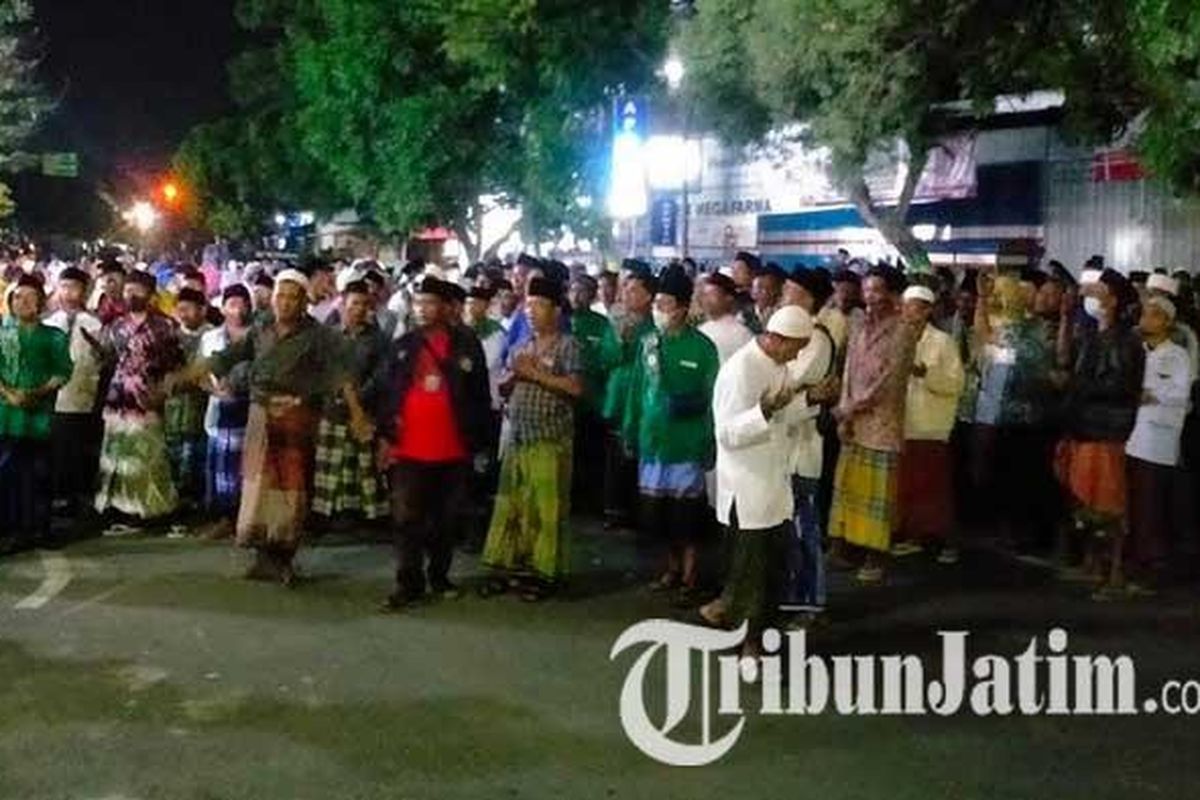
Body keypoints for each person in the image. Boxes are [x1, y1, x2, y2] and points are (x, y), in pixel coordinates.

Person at [206, 269, 373, 586]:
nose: (284, 302)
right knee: (256, 489)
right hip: (259, 414)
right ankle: (262, 558)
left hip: (296, 417)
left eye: (292, 297)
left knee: (289, 492)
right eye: (280, 296)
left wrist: (357, 413)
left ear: (304, 302)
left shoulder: (318, 336)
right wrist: (197, 370)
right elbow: (231, 354)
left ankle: (282, 558)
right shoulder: (261, 327)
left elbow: (342, 375)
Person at [701, 306, 813, 652]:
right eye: (796, 347)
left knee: (769, 570)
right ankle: (750, 645)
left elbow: (783, 414)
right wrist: (763, 411)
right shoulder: (742, 369)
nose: (797, 355)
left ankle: (736, 620)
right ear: (777, 339)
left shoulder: (777, 366)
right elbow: (727, 433)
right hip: (748, 488)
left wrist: (811, 399)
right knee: (754, 575)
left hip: (772, 484)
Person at [376, 278, 493, 610]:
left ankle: (439, 576)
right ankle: (408, 583)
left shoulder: (466, 344)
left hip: (453, 447)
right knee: (406, 517)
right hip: (409, 448)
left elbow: (479, 395)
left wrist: (479, 441)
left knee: (446, 518)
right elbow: (388, 393)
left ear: (446, 307)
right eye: (418, 303)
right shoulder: (404, 346)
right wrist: (385, 436)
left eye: (429, 303)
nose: (422, 309)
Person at [480, 276, 583, 601]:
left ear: (555, 310)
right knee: (511, 505)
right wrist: (510, 381)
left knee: (545, 509)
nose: (531, 311)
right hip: (519, 437)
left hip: (549, 439)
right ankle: (509, 566)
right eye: (529, 305)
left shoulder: (568, 345)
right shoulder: (523, 345)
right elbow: (508, 384)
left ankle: (545, 572)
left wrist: (535, 374)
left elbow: (576, 388)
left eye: (539, 305)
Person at [621, 265, 719, 603]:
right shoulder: (648, 344)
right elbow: (636, 391)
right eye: (657, 304)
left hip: (687, 445)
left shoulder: (703, 348)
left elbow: (712, 399)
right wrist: (630, 430)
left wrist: (709, 441)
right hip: (653, 442)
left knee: (687, 517)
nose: (658, 310)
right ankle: (671, 570)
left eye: (665, 305)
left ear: (682, 309)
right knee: (658, 514)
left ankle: (690, 576)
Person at [1056, 268, 1144, 595]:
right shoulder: (1094, 334)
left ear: (1113, 299)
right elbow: (1066, 359)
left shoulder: (1125, 340)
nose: (1090, 293)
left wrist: (1075, 384)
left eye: (1099, 289)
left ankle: (1115, 571)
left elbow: (1121, 387)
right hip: (1086, 427)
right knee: (1087, 500)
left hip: (1107, 430)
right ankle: (1093, 564)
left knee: (1109, 503)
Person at [828, 267, 916, 584]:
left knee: (877, 497)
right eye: (866, 290)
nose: (870, 297)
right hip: (852, 422)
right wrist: (845, 410)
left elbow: (889, 382)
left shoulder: (904, 331)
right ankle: (843, 548)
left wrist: (851, 408)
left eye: (877, 290)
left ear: (892, 294)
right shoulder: (858, 325)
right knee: (848, 489)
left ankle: (874, 556)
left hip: (881, 424)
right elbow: (848, 371)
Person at [94, 270, 185, 529]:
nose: (131, 295)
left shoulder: (165, 326)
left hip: (147, 395)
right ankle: (118, 506)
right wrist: (99, 352)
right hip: (119, 395)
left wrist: (162, 391)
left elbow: (176, 364)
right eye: (128, 290)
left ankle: (151, 508)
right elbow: (109, 358)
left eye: (137, 290)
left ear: (150, 294)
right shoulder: (115, 326)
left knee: (147, 453)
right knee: (116, 452)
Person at [0, 276, 72, 554]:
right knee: (8, 475)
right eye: (18, 297)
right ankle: (12, 529)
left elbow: (62, 372)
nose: (23, 302)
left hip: (38, 418)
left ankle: (38, 528)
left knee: (38, 474)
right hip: (6, 416)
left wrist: (36, 393)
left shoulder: (53, 336)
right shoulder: (2, 333)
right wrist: (9, 394)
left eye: (30, 297)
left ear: (41, 302)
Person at [1124, 295, 1190, 594]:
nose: (1145, 320)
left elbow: (1180, 394)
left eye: (1153, 315)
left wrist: (1152, 394)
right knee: (1134, 503)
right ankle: (1133, 562)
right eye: (1144, 314)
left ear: (1166, 322)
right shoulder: (1138, 350)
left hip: (1158, 439)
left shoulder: (1177, 355)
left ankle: (1151, 567)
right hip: (1133, 436)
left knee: (1151, 506)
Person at [894, 285, 965, 561]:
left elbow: (956, 383)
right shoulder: (898, 337)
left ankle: (943, 541)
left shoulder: (943, 342)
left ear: (927, 311)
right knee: (907, 485)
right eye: (905, 305)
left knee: (932, 487)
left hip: (931, 424)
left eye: (913, 306)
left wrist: (926, 374)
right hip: (903, 422)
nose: (907, 311)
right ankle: (912, 536)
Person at [311, 280, 389, 526]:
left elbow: (381, 376)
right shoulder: (329, 335)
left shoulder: (378, 340)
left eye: (364, 304)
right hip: (332, 409)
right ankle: (330, 513)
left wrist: (359, 398)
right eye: (354, 303)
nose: (359, 309)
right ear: (343, 304)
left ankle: (362, 515)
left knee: (361, 466)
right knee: (332, 465)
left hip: (364, 410)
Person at [44, 267, 105, 523]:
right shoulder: (49, 323)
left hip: (82, 396)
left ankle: (78, 500)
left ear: (85, 291)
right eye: (64, 287)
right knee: (56, 451)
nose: (69, 293)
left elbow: (103, 361)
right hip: (52, 398)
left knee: (78, 451)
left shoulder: (95, 325)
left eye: (75, 288)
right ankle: (58, 499)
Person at [600, 266, 656, 528]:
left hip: (642, 401)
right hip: (618, 399)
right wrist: (620, 342)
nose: (626, 295)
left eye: (634, 290)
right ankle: (614, 510)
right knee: (615, 457)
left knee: (637, 457)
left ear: (648, 296)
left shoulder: (654, 328)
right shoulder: (615, 324)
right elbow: (604, 357)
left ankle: (639, 512)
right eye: (625, 289)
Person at [197, 285, 253, 540]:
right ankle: (225, 519)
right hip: (221, 411)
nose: (238, 310)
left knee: (249, 471)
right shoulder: (210, 338)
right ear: (222, 308)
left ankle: (247, 521)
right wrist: (216, 391)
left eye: (243, 304)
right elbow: (199, 373)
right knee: (223, 471)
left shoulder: (257, 337)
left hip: (251, 409)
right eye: (232, 304)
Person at [164, 287, 214, 515]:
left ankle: (196, 503)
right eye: (180, 309)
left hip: (202, 407)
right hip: (174, 410)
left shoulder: (213, 336)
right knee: (174, 456)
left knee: (197, 457)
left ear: (202, 310)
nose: (183, 314)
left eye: (188, 309)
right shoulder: (171, 337)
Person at [568, 274, 611, 515]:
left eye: (582, 291)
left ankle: (590, 504)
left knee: (590, 455)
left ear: (592, 295)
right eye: (573, 290)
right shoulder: (563, 321)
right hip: (565, 400)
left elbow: (605, 361)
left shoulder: (601, 324)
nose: (576, 296)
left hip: (592, 401)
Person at [697, 272, 754, 365]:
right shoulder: (700, 330)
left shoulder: (742, 334)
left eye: (712, 294)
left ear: (729, 298)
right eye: (705, 295)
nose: (706, 300)